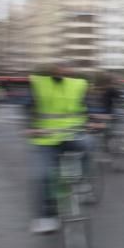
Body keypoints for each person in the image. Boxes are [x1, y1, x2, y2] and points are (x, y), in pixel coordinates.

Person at [26, 65, 93, 235]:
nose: (62, 69)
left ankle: (83, 181)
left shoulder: (77, 85)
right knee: (44, 176)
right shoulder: (38, 84)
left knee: (89, 144)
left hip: (72, 135)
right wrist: (30, 126)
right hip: (46, 139)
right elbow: (28, 108)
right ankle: (46, 216)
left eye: (64, 66)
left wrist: (90, 122)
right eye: (57, 66)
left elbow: (85, 107)